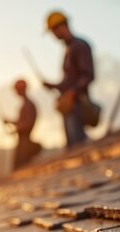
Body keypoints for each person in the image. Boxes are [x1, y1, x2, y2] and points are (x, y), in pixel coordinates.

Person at [43, 11, 93, 149]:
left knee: (78, 146)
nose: (54, 35)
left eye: (54, 31)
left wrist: (72, 92)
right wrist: (52, 85)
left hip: (77, 104)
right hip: (69, 107)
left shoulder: (79, 46)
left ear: (62, 26)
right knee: (72, 146)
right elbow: (67, 82)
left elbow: (88, 75)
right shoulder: (68, 49)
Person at [2, 80, 40, 170]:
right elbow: (22, 122)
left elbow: (27, 124)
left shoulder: (28, 105)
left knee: (22, 167)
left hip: (25, 143)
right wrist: (10, 122)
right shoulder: (26, 104)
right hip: (22, 142)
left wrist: (15, 130)